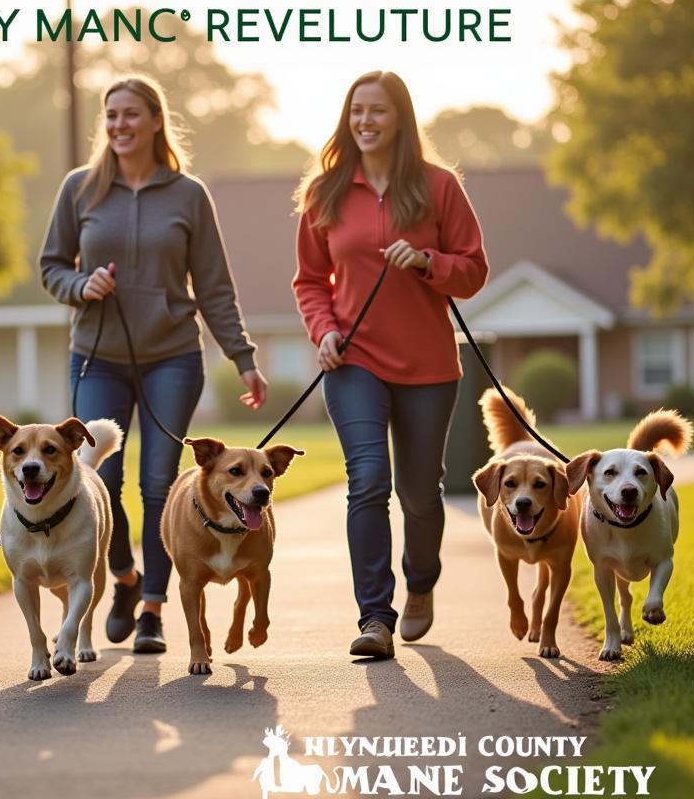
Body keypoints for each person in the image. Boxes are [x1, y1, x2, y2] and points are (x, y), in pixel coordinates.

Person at [40, 75, 267, 655]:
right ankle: (122, 578)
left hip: (172, 356)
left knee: (159, 485)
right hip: (98, 356)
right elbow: (50, 267)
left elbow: (214, 286)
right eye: (110, 115)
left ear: (156, 120)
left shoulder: (188, 195)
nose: (119, 125)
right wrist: (79, 283)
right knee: (97, 477)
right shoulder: (80, 189)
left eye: (131, 114)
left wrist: (243, 357)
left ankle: (154, 609)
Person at [293, 70, 488, 659]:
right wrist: (322, 331)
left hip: (429, 365)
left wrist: (429, 261)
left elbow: (474, 271)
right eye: (357, 111)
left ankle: (420, 583)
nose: (365, 121)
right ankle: (375, 616)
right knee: (368, 480)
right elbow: (309, 280)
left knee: (421, 494)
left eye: (377, 111)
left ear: (400, 118)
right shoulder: (325, 192)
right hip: (353, 363)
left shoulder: (437, 187)